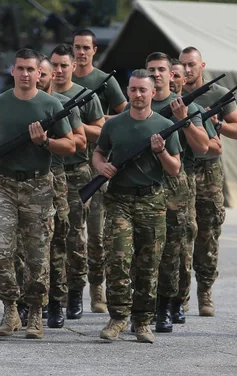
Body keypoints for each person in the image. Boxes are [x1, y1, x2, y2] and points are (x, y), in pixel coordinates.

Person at [0, 48, 76, 339]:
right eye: (20, 68)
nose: (25, 74)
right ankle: (10, 310)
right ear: (13, 71)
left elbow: (70, 145)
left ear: (38, 73)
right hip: (4, 185)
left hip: (39, 187)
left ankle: (34, 313)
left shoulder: (50, 104)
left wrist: (45, 142)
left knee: (37, 256)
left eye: (31, 70)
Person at [93, 69, 181, 343]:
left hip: (152, 202)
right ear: (127, 91)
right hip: (119, 200)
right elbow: (98, 152)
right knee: (118, 259)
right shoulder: (114, 124)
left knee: (148, 264)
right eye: (133, 89)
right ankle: (118, 317)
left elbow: (175, 169)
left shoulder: (164, 125)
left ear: (153, 93)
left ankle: (142, 322)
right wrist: (101, 167)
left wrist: (160, 151)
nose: (138, 95)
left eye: (143, 90)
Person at [13, 55, 86, 329]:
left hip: (55, 178)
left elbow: (78, 141)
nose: (40, 78)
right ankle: (25, 303)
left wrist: (47, 141)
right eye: (37, 73)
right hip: (23, 181)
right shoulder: (16, 103)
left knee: (57, 243)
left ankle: (56, 301)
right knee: (22, 246)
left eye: (43, 73)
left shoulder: (61, 107)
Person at [144, 52, 208, 333]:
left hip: (176, 185)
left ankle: (171, 304)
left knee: (176, 249)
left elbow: (203, 147)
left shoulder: (185, 105)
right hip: (143, 183)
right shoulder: (139, 102)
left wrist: (184, 119)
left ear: (172, 75)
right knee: (145, 248)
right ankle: (143, 305)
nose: (156, 74)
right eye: (151, 70)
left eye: (161, 70)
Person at [178, 46, 237, 317]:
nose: (187, 69)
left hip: (209, 172)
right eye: (182, 65)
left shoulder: (218, 94)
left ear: (202, 65)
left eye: (191, 64)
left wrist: (217, 125)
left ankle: (205, 290)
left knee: (208, 233)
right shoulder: (172, 95)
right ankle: (179, 295)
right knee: (180, 234)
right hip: (181, 169)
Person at [72, 28, 128, 314]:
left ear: (94, 50)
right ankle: (69, 294)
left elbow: (126, 114)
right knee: (68, 236)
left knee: (96, 236)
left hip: (94, 165)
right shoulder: (62, 79)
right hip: (65, 166)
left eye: (86, 47)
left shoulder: (104, 81)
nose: (81, 52)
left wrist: (103, 123)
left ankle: (96, 291)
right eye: (77, 47)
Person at [50, 44, 105, 320]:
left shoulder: (85, 96)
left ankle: (75, 293)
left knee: (74, 237)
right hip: (47, 175)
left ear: (73, 67)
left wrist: (75, 128)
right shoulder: (41, 97)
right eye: (54, 65)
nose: (58, 71)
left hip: (76, 173)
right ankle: (52, 295)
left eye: (63, 65)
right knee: (49, 238)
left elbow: (102, 131)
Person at [169, 58, 222, 323]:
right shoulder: (147, 107)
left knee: (203, 235)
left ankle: (203, 290)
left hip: (199, 176)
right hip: (169, 181)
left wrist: (190, 123)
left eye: (181, 74)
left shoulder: (196, 108)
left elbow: (213, 146)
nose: (177, 78)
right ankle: (174, 297)